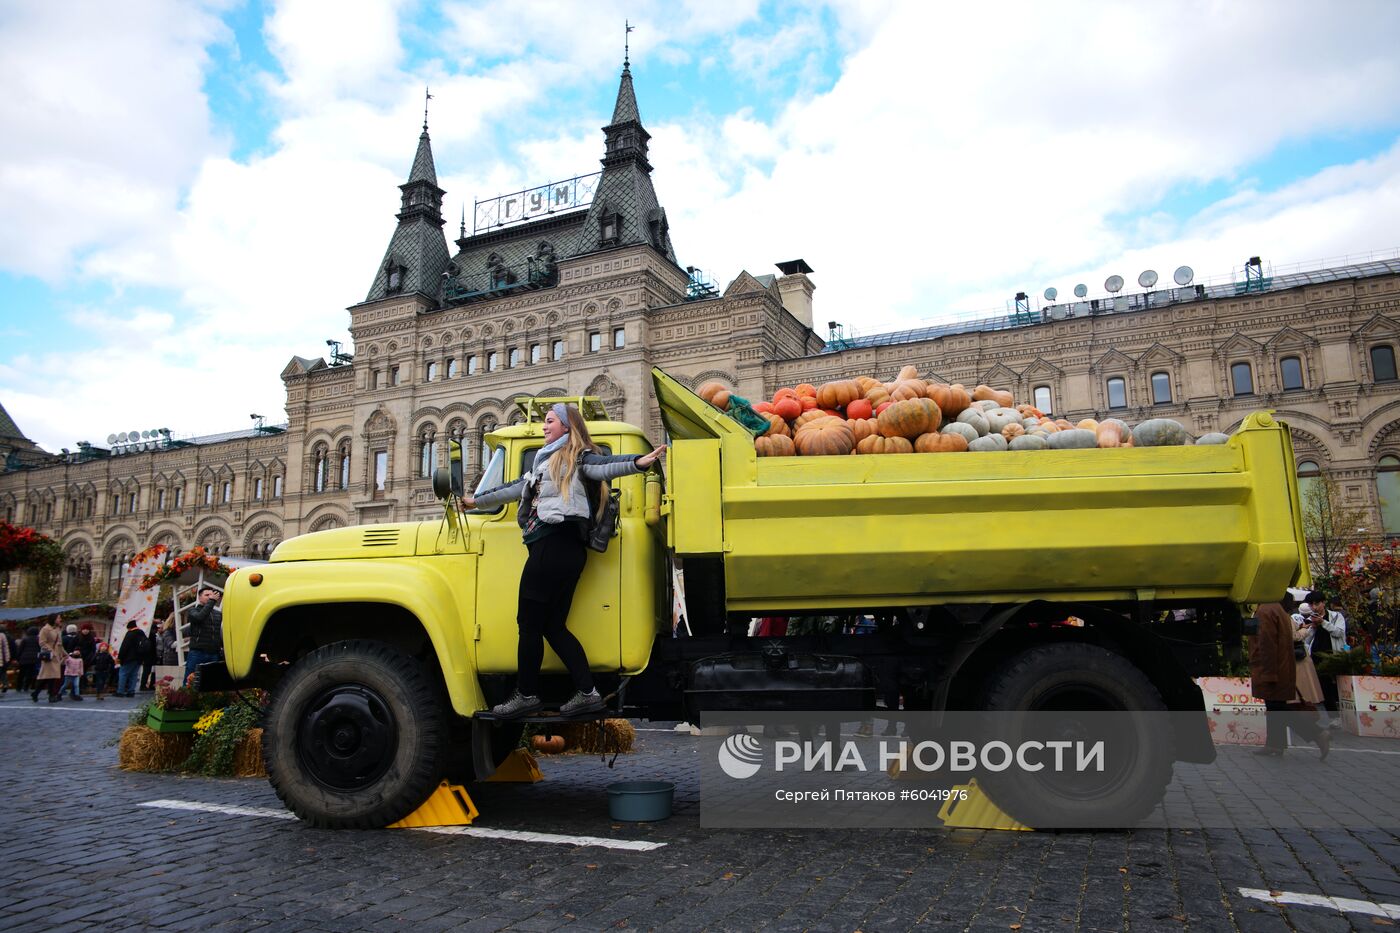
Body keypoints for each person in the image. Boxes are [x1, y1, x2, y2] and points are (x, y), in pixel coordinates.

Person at [462, 403, 664, 718]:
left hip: (551, 545)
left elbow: (606, 465)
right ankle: (588, 692)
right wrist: (476, 501)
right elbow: (514, 489)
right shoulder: (544, 462)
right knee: (553, 626)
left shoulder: (577, 458)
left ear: (567, 427)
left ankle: (526, 694)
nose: (544, 427)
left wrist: (637, 463)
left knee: (528, 624)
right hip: (570, 552)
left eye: (549, 421)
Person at [1250, 594, 1328, 759]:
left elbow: (1267, 644)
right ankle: (1275, 744)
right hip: (1280, 667)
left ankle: (1317, 733)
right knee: (1275, 707)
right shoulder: (1276, 609)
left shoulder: (1266, 610)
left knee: (1278, 709)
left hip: (1272, 669)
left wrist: (1268, 673)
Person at [185, 588, 224, 681]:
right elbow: (199, 617)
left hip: (214, 652)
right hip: (197, 652)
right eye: (207, 595)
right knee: (191, 679)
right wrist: (212, 601)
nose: (210, 597)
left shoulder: (218, 614)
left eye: (211, 595)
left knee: (212, 681)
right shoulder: (193, 611)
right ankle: (187, 696)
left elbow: (221, 632)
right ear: (199, 598)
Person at [32, 615, 67, 703]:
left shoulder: (57, 629)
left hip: (56, 656)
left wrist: (65, 654)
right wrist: (51, 651)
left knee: (52, 676)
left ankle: (49, 695)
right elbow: (42, 642)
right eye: (58, 618)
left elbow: (59, 644)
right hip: (49, 656)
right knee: (47, 676)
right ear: (54, 619)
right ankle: (40, 693)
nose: (60, 619)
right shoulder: (45, 629)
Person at [116, 621, 147, 698]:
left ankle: (120, 691)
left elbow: (124, 647)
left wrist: (120, 657)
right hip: (139, 658)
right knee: (134, 675)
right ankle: (131, 691)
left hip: (129, 658)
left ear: (129, 627)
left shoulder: (130, 634)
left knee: (123, 673)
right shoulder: (142, 633)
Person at [15, 626, 40, 695]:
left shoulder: (25, 639)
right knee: (30, 673)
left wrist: (17, 658)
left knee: (21, 673)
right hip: (34, 659)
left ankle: (18, 687)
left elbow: (20, 649)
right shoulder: (38, 639)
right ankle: (26, 686)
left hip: (24, 658)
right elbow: (40, 648)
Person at [139, 618, 159, 691]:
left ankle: (143, 684)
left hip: (147, 656)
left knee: (147, 671)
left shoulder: (147, 635)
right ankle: (143, 685)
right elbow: (153, 647)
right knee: (147, 671)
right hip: (150, 656)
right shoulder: (152, 636)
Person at [0, 625, 10, 693]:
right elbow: (6, 647)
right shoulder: (2, 635)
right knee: (3, 672)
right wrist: (7, 658)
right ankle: (5, 684)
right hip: (1, 659)